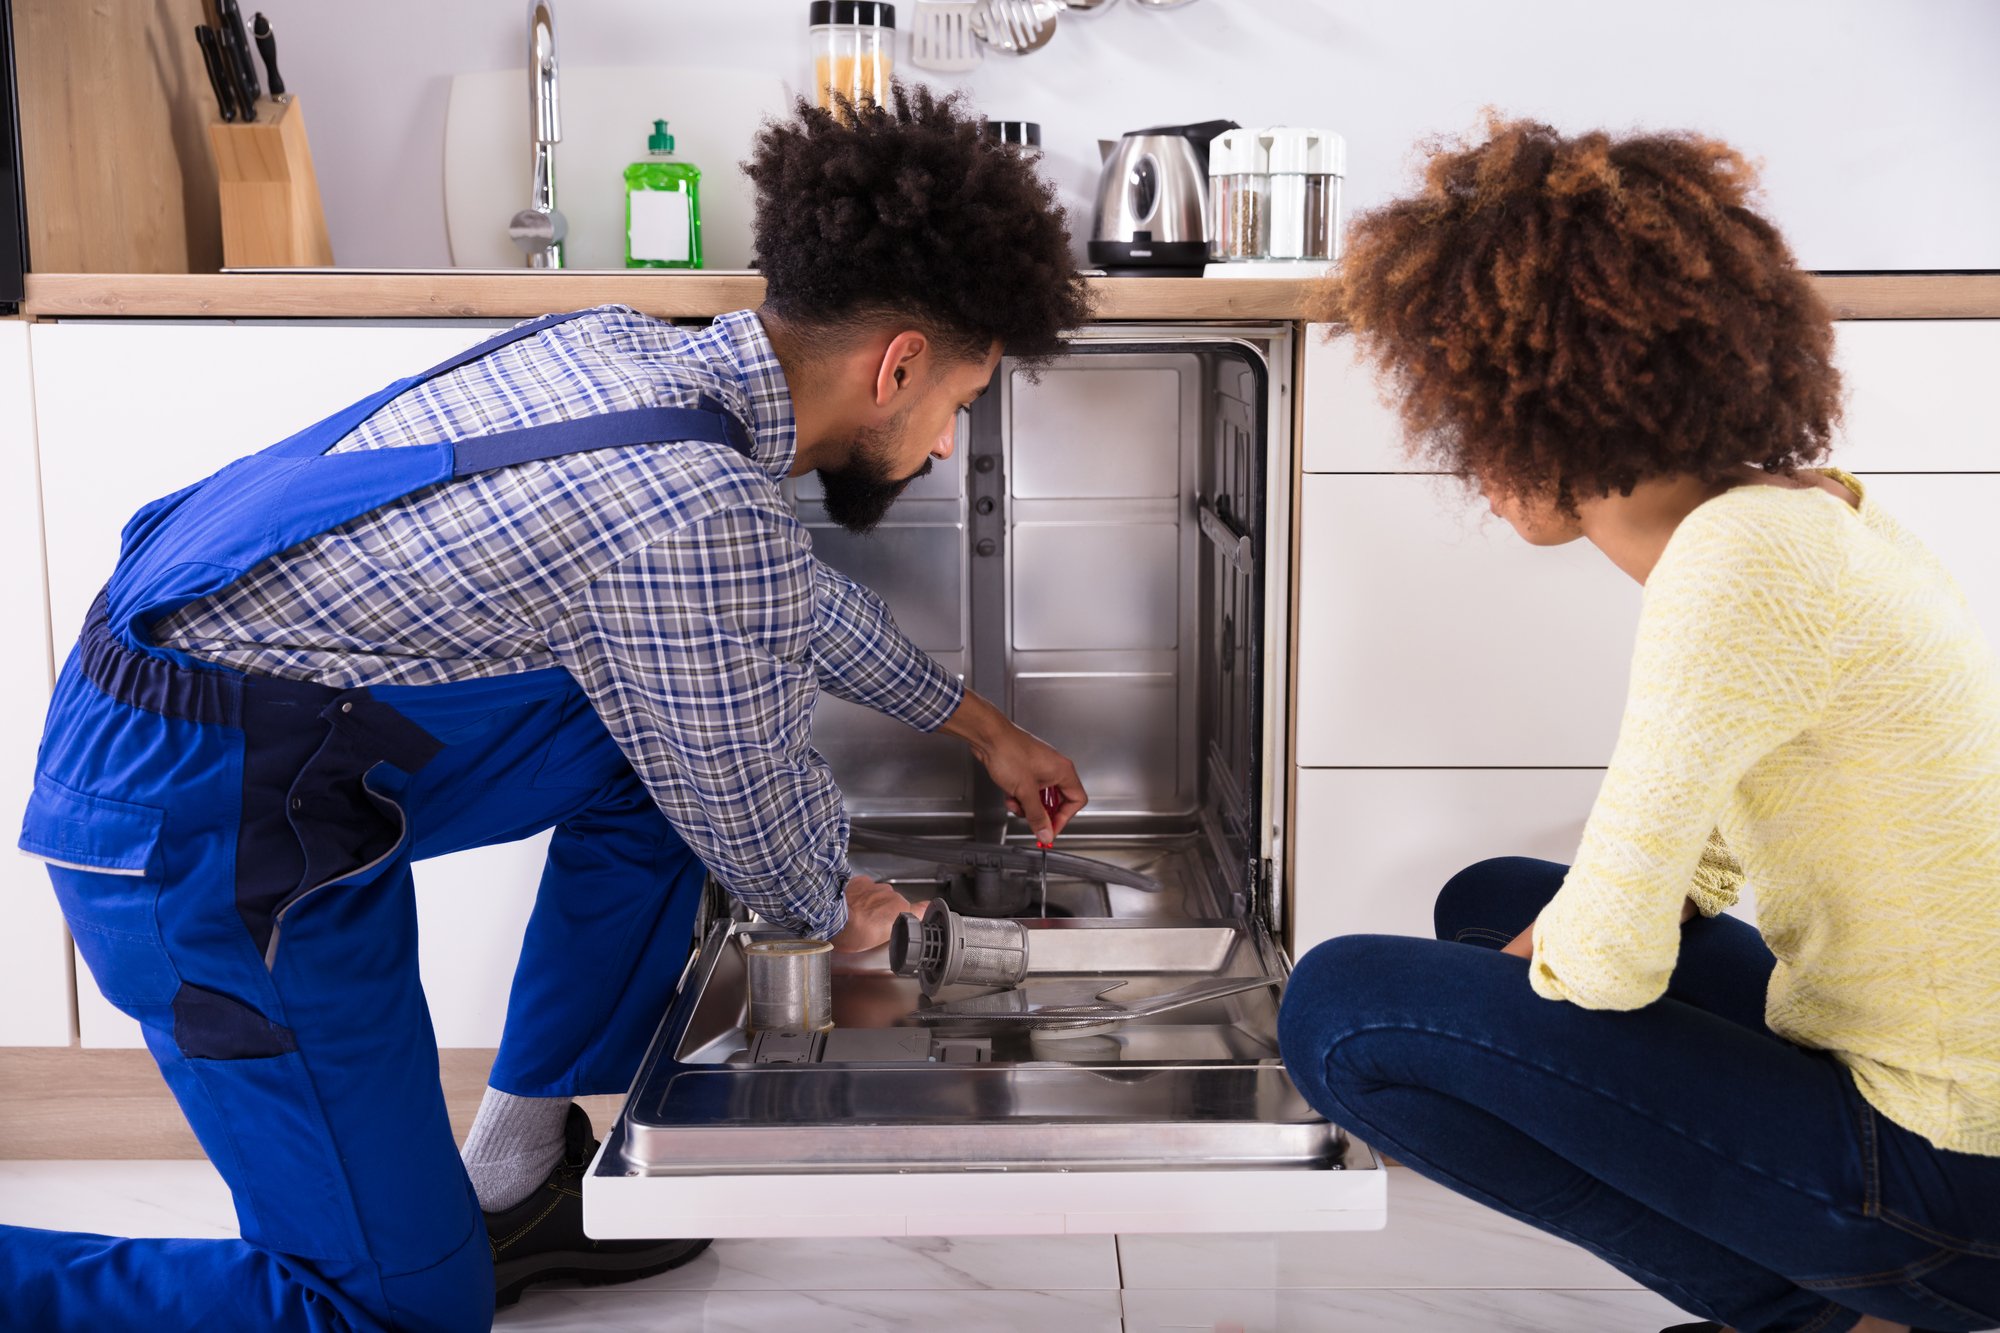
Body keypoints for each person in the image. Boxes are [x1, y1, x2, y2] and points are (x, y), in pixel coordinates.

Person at [2, 85, 1092, 1332]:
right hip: (197, 828)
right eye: (956, 403)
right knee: (386, 1314)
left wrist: (985, 729)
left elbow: (776, 605)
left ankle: (519, 1173)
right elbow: (771, 848)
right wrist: (841, 896)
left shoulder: (629, 351)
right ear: (895, 365)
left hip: (248, 748)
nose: (948, 444)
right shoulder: (694, 506)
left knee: (657, 754)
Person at [1278, 116, 2000, 1333]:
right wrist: (1542, 951)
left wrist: (1550, 963)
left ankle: (1836, 1316)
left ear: (1538, 407)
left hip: (1951, 1184)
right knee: (1492, 897)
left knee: (1342, 1012)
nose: (1460, 451)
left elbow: (1606, 962)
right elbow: (1713, 845)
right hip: (1954, 1126)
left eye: (1468, 407)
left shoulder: (1731, 562)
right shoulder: (1800, 514)